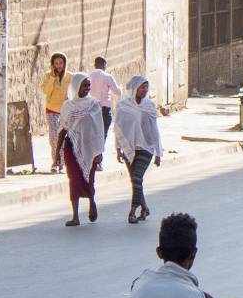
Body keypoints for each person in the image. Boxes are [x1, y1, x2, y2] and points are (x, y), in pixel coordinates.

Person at [54, 73, 104, 227]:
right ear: (76, 86)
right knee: (74, 179)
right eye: (84, 85)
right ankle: (75, 216)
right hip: (71, 147)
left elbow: (98, 130)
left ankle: (91, 202)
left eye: (88, 85)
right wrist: (57, 153)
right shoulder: (68, 106)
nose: (87, 88)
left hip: (90, 147)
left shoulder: (94, 104)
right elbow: (63, 129)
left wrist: (99, 152)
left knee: (89, 178)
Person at [114, 75, 163, 225]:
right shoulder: (123, 106)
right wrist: (118, 148)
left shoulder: (149, 106)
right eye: (142, 87)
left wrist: (158, 152)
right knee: (136, 181)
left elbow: (155, 129)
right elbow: (118, 128)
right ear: (135, 88)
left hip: (146, 147)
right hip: (130, 148)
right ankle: (145, 208)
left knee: (136, 178)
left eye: (146, 87)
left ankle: (132, 212)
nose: (145, 90)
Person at [42, 51, 70, 172]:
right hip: (51, 110)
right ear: (52, 64)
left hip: (65, 111)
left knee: (62, 138)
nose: (58, 65)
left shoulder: (70, 76)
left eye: (61, 63)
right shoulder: (48, 76)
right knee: (54, 136)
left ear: (64, 64)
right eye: (56, 63)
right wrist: (53, 78)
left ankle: (61, 162)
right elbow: (46, 91)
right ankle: (55, 161)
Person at [88, 56, 122, 147]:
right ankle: (99, 153)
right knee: (103, 133)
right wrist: (121, 87)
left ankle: (93, 154)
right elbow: (117, 92)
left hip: (91, 108)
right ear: (104, 65)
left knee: (93, 133)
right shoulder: (107, 76)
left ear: (95, 65)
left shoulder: (89, 76)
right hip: (104, 108)